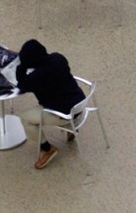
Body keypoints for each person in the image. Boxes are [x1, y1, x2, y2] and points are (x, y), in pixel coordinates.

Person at [16, 39, 85, 169]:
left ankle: (47, 149)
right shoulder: (58, 58)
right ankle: (73, 127)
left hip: (63, 113)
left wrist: (22, 66)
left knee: (25, 119)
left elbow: (22, 85)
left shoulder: (36, 77)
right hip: (78, 102)